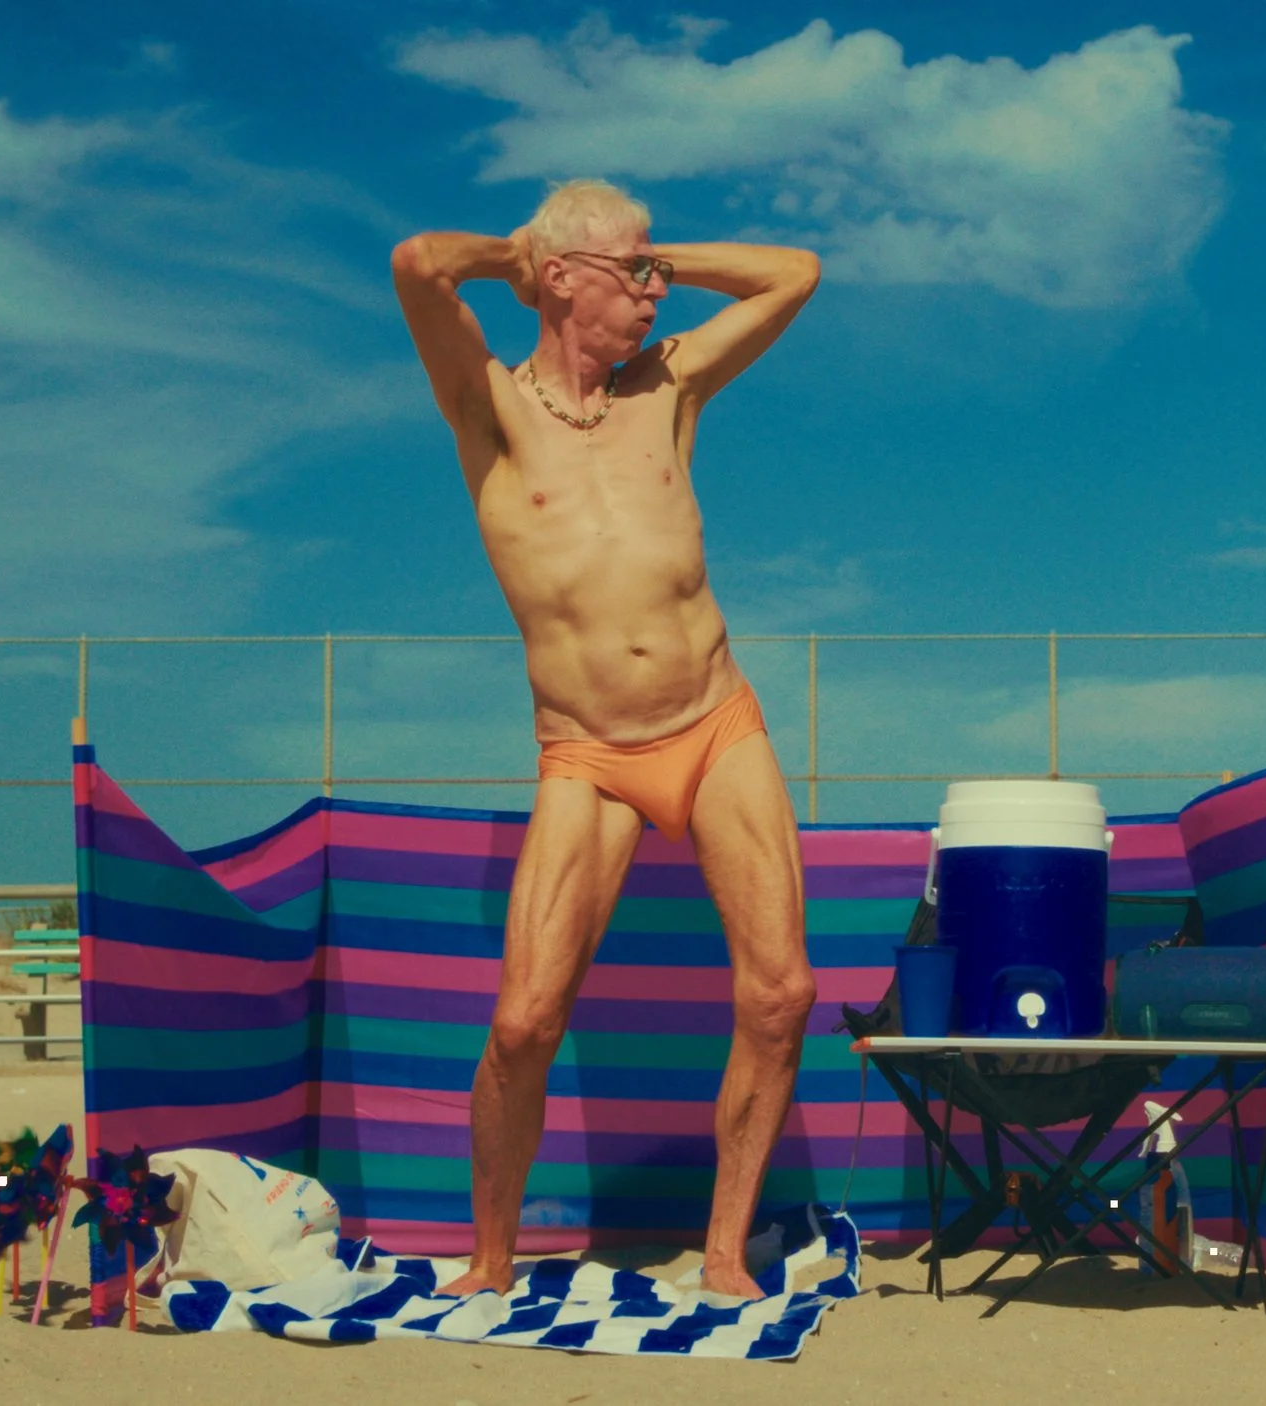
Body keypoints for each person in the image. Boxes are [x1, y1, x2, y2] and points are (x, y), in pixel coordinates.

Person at [389, 179, 822, 1300]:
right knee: (525, 1018)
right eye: (627, 272)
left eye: (655, 273)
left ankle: (722, 1249)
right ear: (563, 280)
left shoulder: (669, 386)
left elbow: (795, 273)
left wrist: (648, 256)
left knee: (780, 993)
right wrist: (532, 252)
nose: (652, 289)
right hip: (588, 752)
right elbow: (418, 262)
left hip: (716, 719)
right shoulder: (487, 408)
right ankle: (488, 1256)